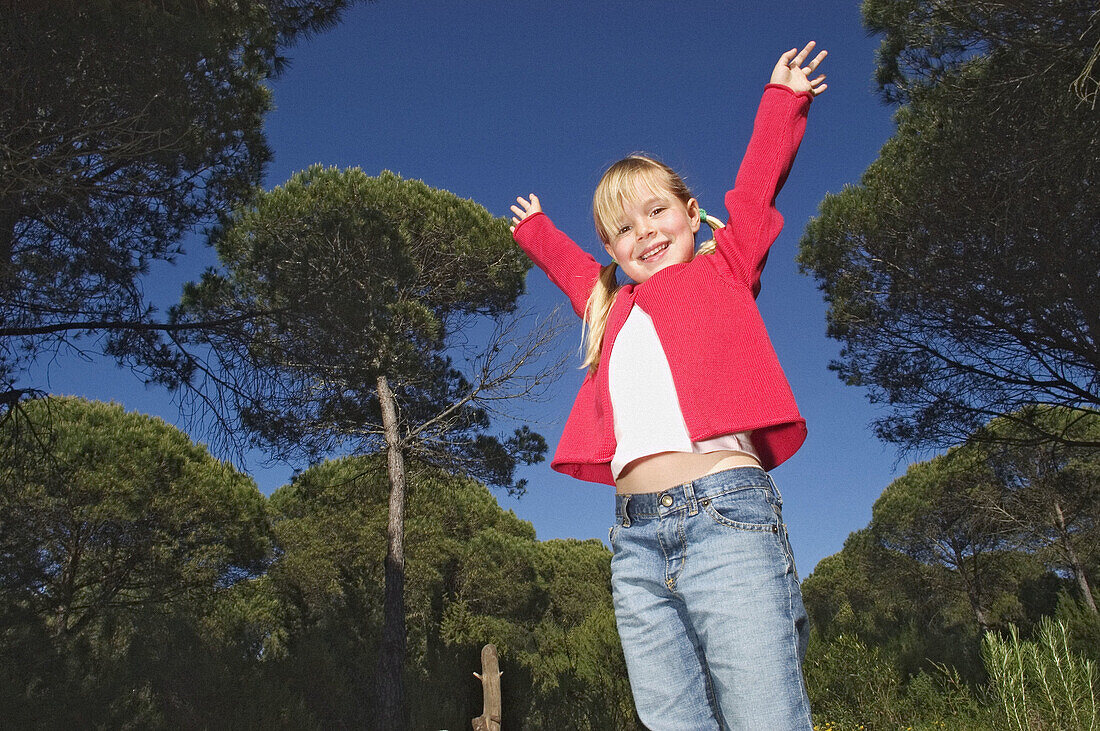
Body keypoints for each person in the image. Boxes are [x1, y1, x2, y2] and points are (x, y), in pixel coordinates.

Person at [508, 42, 827, 729]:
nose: (643, 233)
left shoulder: (724, 268)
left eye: (656, 213)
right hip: (634, 543)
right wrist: (534, 230)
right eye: (621, 229)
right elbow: (572, 269)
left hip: (727, 517)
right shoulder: (608, 308)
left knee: (765, 714)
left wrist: (782, 102)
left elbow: (756, 190)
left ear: (690, 212)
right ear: (612, 249)